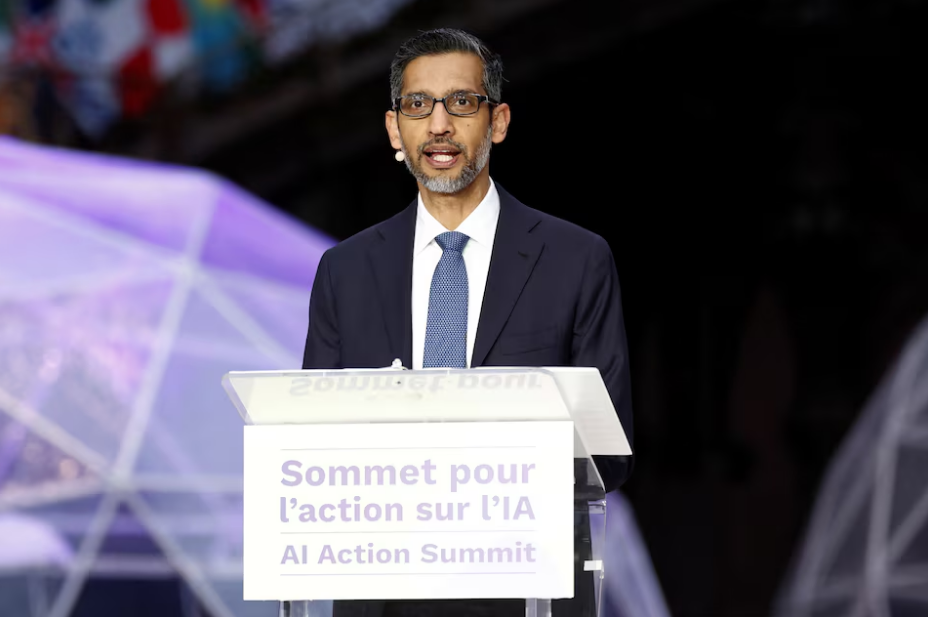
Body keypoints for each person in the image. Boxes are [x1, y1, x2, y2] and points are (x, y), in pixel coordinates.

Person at [302, 28, 633, 617]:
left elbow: (610, 453)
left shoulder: (576, 260)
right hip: (382, 595)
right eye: (417, 105)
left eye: (461, 102)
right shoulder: (345, 271)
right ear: (393, 129)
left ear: (498, 121)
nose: (438, 125)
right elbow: (313, 447)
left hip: (529, 591)